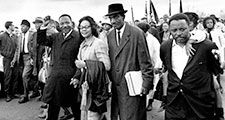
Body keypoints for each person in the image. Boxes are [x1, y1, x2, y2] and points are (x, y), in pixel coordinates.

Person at [160, 13, 223, 120]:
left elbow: (215, 71)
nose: (178, 33)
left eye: (182, 29)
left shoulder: (206, 46)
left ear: (189, 26)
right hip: (175, 105)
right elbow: (167, 70)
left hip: (200, 105)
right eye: (174, 30)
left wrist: (219, 109)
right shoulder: (165, 47)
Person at [105, 3, 153, 120]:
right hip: (117, 87)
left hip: (133, 86)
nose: (113, 21)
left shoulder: (136, 33)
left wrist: (146, 84)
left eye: (116, 17)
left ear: (123, 17)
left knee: (133, 116)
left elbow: (145, 61)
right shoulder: (110, 35)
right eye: (111, 18)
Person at [37, 14, 81, 120]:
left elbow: (82, 58)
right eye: (62, 23)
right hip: (56, 78)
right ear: (59, 25)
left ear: (72, 23)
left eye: (67, 22)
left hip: (71, 78)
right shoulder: (56, 37)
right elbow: (42, 41)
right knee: (53, 107)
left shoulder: (79, 37)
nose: (65, 25)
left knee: (76, 107)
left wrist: (77, 76)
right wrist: (43, 27)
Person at [70, 15, 111, 120]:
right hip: (85, 87)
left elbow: (106, 66)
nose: (84, 29)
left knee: (93, 115)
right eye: (81, 27)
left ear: (92, 27)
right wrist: (76, 78)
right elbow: (81, 67)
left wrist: (85, 64)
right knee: (87, 115)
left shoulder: (98, 43)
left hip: (97, 88)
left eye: (86, 27)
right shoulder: (82, 44)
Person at [136, 22, 162, 111]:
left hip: (152, 67)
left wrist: (157, 67)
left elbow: (158, 54)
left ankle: (150, 102)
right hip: (140, 67)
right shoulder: (137, 38)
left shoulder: (153, 40)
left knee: (152, 86)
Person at [0, 21, 17, 102]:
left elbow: (17, 47)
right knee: (8, 76)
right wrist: (3, 53)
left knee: (15, 76)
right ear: (9, 26)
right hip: (7, 59)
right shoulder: (2, 36)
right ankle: (7, 94)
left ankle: (13, 93)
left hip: (14, 58)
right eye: (12, 25)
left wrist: (15, 58)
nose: (14, 26)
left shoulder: (14, 36)